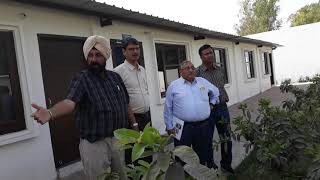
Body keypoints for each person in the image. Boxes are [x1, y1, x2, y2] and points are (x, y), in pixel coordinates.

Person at [31, 35, 132, 180]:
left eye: (98, 55)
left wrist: (133, 125)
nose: (93, 59)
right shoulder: (82, 78)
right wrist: (50, 113)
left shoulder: (115, 78)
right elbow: (69, 102)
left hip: (118, 139)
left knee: (122, 176)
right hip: (94, 143)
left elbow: (125, 103)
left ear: (106, 55)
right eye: (90, 55)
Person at [164, 60, 219, 167]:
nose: (191, 70)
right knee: (182, 156)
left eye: (192, 67)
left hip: (203, 126)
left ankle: (202, 175)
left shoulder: (202, 81)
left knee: (203, 154)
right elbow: (168, 107)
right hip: (182, 127)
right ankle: (184, 176)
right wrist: (169, 126)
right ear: (181, 72)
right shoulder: (174, 86)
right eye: (187, 68)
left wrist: (212, 103)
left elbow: (216, 92)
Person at [196, 44, 234, 174]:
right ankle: (210, 165)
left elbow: (221, 87)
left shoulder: (220, 69)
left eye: (211, 52)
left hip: (222, 108)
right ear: (201, 57)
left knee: (226, 137)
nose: (210, 55)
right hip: (208, 110)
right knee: (207, 139)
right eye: (206, 54)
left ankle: (226, 164)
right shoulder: (197, 73)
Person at [114, 37, 152, 163]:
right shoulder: (118, 72)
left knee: (148, 152)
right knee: (133, 155)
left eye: (137, 48)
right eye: (131, 49)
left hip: (146, 117)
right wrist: (134, 123)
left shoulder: (143, 70)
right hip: (131, 121)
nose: (135, 51)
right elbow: (121, 100)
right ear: (124, 52)